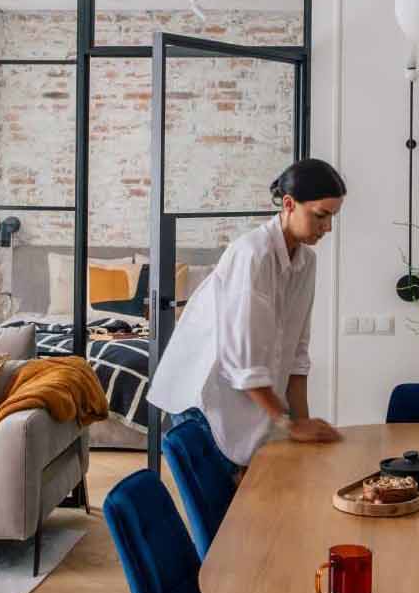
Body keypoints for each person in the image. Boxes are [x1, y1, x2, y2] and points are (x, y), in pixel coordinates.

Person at [148, 158, 347, 469]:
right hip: (206, 399)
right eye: (320, 215)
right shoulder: (252, 255)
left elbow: (297, 353)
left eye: (333, 217)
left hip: (251, 402)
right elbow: (242, 362)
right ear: (289, 204)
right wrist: (289, 424)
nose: (328, 227)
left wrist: (303, 425)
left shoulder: (306, 262)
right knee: (230, 513)